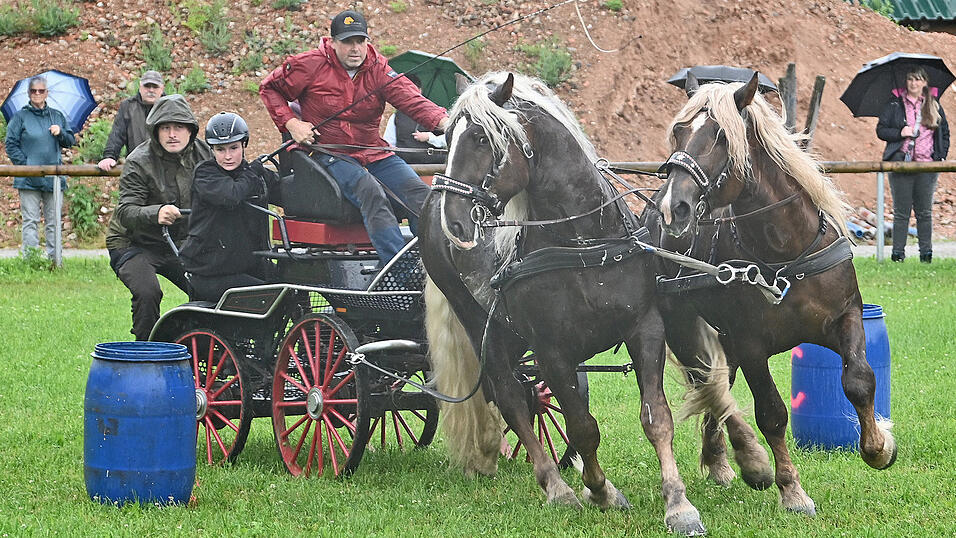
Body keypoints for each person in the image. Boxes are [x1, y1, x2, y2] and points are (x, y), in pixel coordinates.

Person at [259, 9, 450, 266]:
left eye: (360, 40)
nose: (355, 48)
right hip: (327, 153)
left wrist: (446, 122)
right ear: (333, 42)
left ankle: (435, 265)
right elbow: (269, 88)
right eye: (347, 41)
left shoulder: (378, 68)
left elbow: (412, 100)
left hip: (373, 151)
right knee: (369, 191)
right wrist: (292, 123)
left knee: (421, 195)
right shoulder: (309, 65)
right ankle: (400, 270)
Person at [105, 94, 212, 340]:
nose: (172, 134)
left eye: (179, 127)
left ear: (191, 130)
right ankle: (145, 353)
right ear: (155, 130)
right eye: (165, 127)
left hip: (181, 242)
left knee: (207, 288)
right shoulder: (138, 161)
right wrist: (157, 213)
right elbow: (126, 210)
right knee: (148, 292)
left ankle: (203, 346)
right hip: (134, 243)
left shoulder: (206, 153)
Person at [180, 112, 280, 302]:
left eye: (234, 148)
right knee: (274, 294)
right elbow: (231, 195)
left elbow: (285, 193)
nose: (228, 156)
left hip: (249, 263)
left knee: (295, 284)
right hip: (211, 271)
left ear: (244, 145)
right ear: (212, 150)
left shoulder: (252, 174)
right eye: (220, 149)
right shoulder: (205, 174)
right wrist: (252, 173)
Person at [876, 67, 950, 263]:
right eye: (910, 79)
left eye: (918, 79)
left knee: (924, 212)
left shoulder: (934, 105)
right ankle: (897, 254)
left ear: (925, 82)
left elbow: (944, 133)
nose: (913, 83)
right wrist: (900, 132)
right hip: (901, 164)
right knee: (901, 212)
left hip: (927, 166)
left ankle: (926, 254)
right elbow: (881, 130)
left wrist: (940, 157)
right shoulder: (894, 104)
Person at [4, 75, 76, 259]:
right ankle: (32, 259)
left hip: (54, 178)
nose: (37, 94)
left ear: (47, 93)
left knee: (54, 221)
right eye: (33, 91)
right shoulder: (20, 117)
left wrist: (60, 133)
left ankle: (55, 259)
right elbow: (11, 144)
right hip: (27, 179)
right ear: (28, 93)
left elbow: (70, 141)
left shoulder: (57, 116)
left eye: (41, 91)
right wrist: (26, 165)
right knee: (30, 221)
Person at [97, 70, 165, 172]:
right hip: (136, 167)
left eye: (155, 87)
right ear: (140, 87)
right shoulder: (128, 106)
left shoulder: (169, 107)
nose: (151, 90)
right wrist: (109, 156)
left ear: (162, 89)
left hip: (165, 168)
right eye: (147, 86)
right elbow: (117, 134)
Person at [383, 73, 447, 165]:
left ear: (420, 90)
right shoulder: (396, 117)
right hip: (406, 167)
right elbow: (389, 144)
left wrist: (430, 137)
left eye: (412, 90)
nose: (409, 94)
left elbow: (450, 139)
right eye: (405, 90)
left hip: (436, 166)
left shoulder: (440, 114)